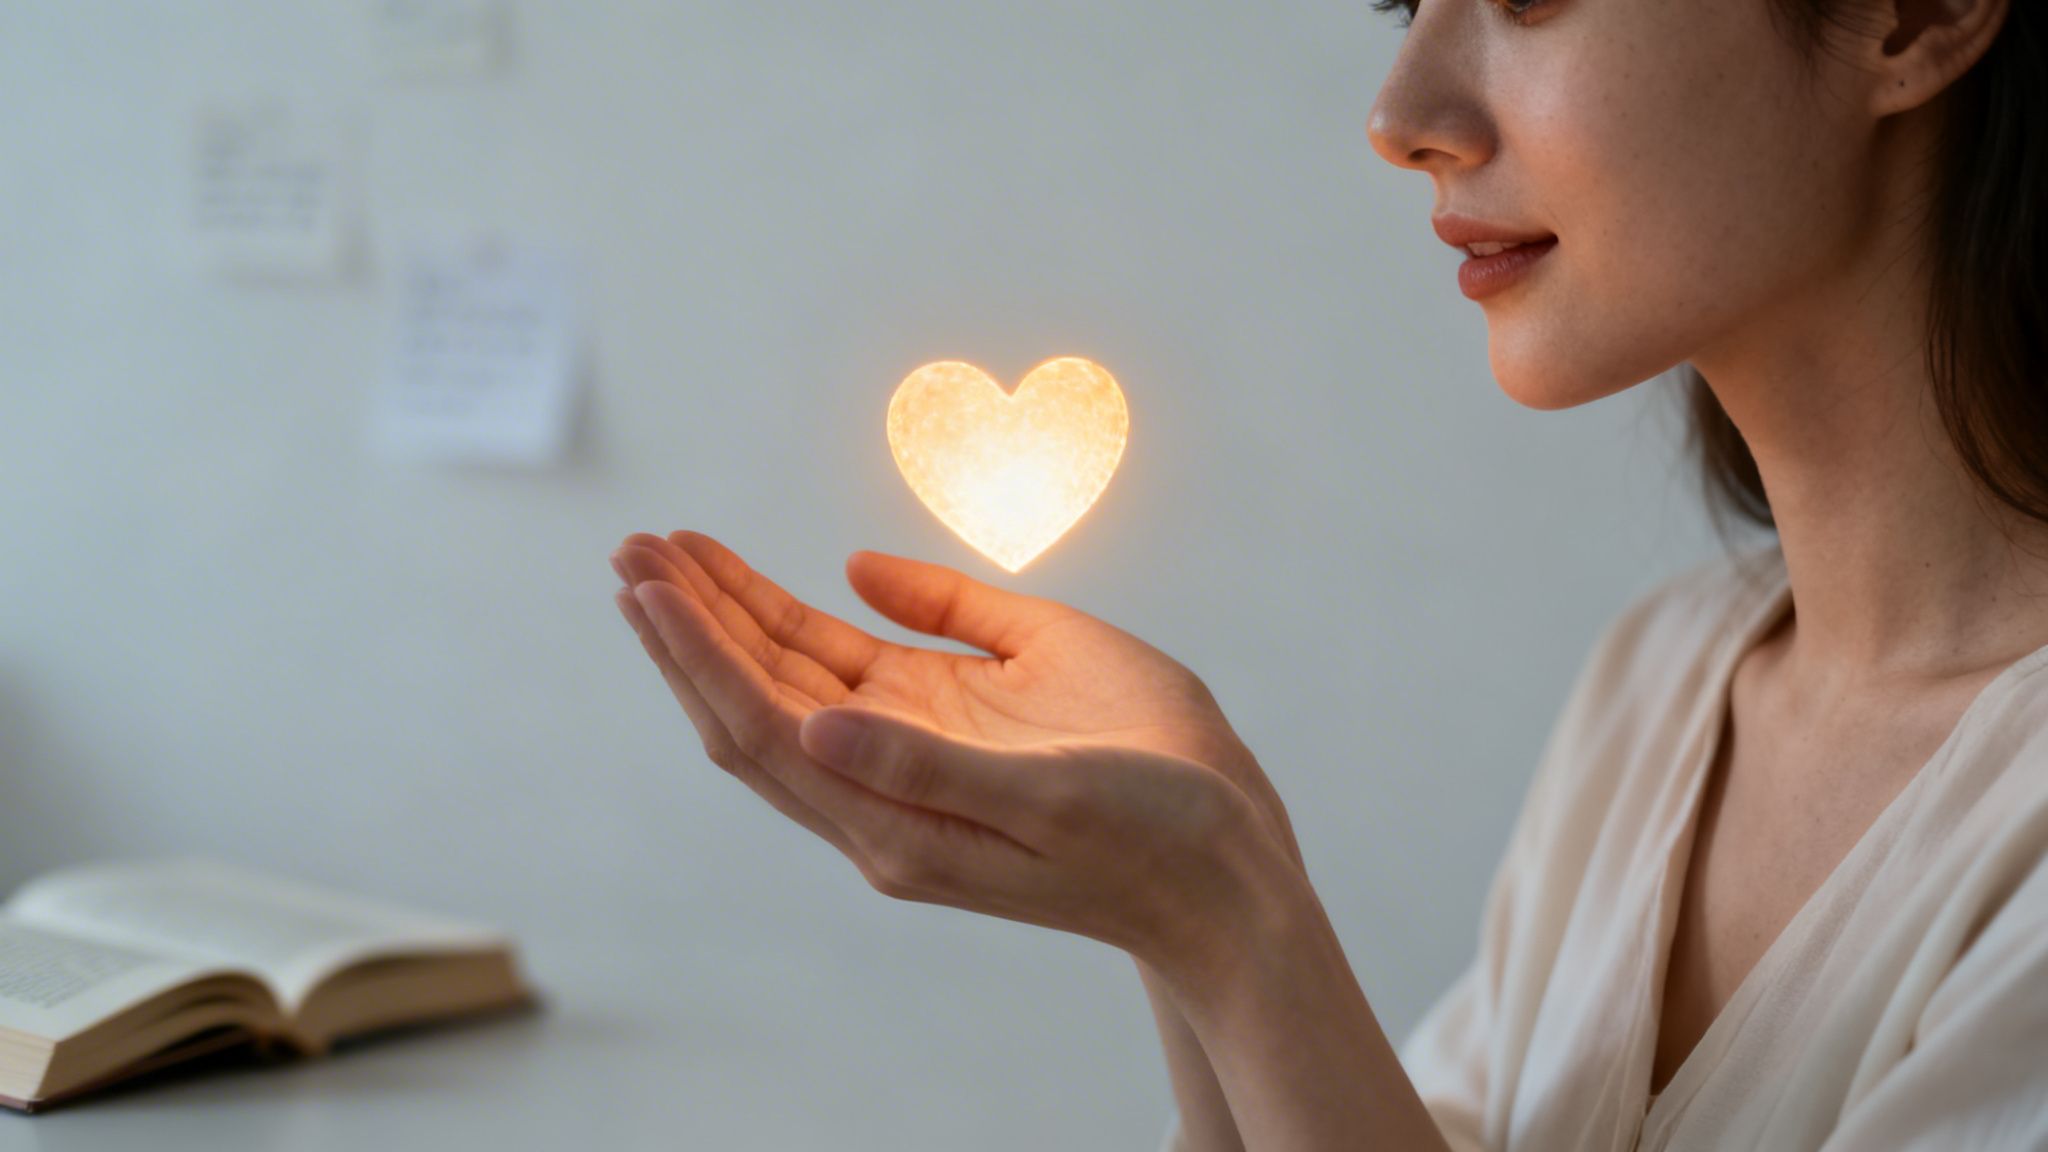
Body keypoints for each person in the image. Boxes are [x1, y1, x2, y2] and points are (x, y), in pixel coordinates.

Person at [608, 0, 2048, 1145]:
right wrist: (1186, 894)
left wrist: (1230, 922)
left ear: (1911, 17)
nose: (1399, 117)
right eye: (1405, 3)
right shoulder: (1665, 678)